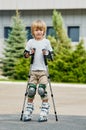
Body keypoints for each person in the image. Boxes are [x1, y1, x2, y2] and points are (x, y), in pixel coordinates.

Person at [23, 20, 53, 122]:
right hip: (33, 71)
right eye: (36, 30)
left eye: (41, 30)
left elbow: (52, 56)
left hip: (43, 71)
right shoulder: (30, 42)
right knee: (31, 91)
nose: (39, 32)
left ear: (44, 31)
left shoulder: (46, 42)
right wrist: (30, 53)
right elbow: (25, 55)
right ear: (33, 31)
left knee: (41, 90)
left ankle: (44, 109)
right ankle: (28, 110)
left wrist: (47, 53)